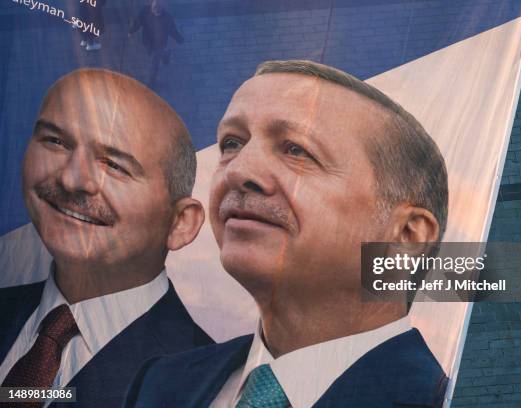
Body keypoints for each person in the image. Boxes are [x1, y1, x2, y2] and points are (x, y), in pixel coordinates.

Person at [126, 60, 450, 407]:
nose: (238, 170)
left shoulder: (444, 399)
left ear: (406, 235)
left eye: (296, 149)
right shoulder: (160, 384)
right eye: (232, 143)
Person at [0, 69, 213, 407]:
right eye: (56, 141)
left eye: (114, 165)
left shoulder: (209, 387)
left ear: (180, 223)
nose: (72, 179)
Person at [128, 0, 184, 87]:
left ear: (162, 8)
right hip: (147, 42)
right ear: (151, 6)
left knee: (154, 64)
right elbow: (137, 22)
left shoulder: (167, 17)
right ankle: (166, 55)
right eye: (155, 9)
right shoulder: (144, 12)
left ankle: (151, 82)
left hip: (159, 45)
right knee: (152, 54)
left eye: (159, 9)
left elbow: (173, 30)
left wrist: (179, 39)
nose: (157, 11)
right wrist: (131, 31)